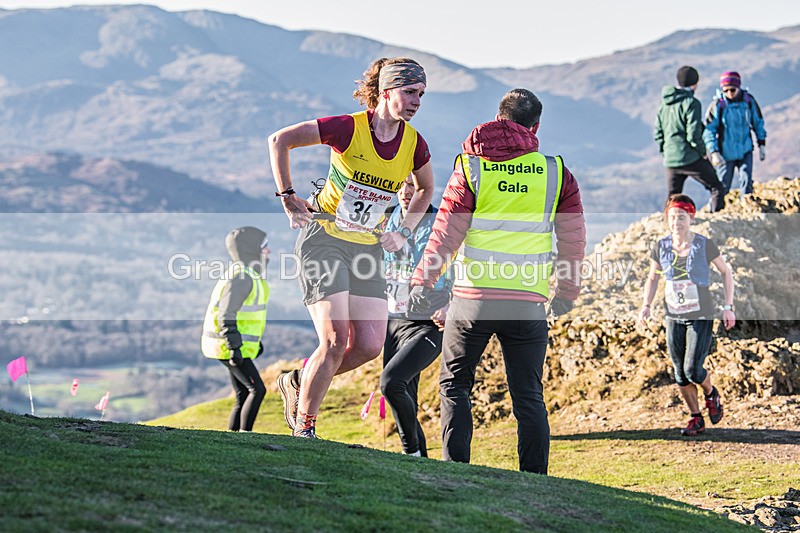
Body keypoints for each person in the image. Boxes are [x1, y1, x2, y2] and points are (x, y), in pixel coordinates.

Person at [410, 88, 586, 474]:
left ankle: (455, 473)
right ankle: (535, 481)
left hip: (472, 300)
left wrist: (423, 281)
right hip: (527, 303)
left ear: (498, 117)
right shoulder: (556, 173)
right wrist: (567, 294)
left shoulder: (471, 168)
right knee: (528, 397)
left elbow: (445, 232)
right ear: (535, 126)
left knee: (455, 387)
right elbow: (573, 241)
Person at [268, 57, 435, 438]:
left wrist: (404, 230)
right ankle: (305, 427)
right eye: (410, 92)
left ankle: (297, 381)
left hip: (366, 249)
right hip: (324, 240)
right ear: (386, 92)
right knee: (333, 340)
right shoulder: (348, 127)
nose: (417, 101)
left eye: (421, 94)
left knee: (369, 346)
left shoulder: (414, 144)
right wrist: (287, 196)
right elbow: (280, 140)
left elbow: (425, 189)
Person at [638, 194, 735, 436]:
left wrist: (728, 306)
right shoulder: (660, 246)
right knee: (679, 372)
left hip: (700, 315)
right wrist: (646, 305)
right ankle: (695, 418)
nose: (676, 222)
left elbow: (726, 272)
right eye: (672, 218)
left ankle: (711, 394)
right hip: (673, 316)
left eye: (681, 217)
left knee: (693, 369)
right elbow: (652, 277)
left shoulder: (704, 244)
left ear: (691, 218)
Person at [381, 175, 452, 457]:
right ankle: (417, 458)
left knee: (391, 383)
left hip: (428, 321)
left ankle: (411, 451)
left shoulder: (442, 223)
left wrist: (452, 304)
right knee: (405, 392)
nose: (405, 192)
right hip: (392, 320)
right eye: (400, 184)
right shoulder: (388, 217)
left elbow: (466, 266)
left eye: (412, 185)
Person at [201, 226, 270, 432]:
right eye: (264, 247)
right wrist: (235, 347)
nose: (269, 251)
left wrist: (252, 344)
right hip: (227, 346)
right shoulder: (242, 277)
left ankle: (233, 439)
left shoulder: (246, 274)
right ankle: (245, 436)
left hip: (229, 345)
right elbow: (226, 314)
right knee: (257, 390)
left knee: (243, 393)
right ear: (252, 250)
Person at [654, 66, 726, 212]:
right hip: (690, 158)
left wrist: (665, 152)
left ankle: (668, 225)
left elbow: (658, 133)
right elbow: (693, 134)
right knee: (716, 187)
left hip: (670, 159)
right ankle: (715, 219)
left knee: (672, 196)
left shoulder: (664, 104)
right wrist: (702, 152)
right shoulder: (692, 103)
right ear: (695, 83)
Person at [703, 71, 767, 202]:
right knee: (723, 186)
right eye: (725, 90)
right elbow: (709, 130)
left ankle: (747, 210)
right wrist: (714, 152)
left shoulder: (749, 101)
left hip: (745, 150)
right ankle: (715, 212)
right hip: (725, 153)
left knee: (746, 182)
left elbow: (757, 122)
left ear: (739, 87)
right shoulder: (718, 106)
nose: (729, 93)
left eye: (732, 89)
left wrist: (761, 144)